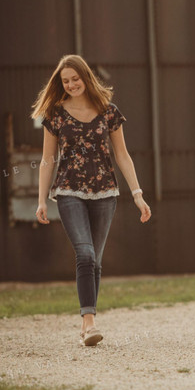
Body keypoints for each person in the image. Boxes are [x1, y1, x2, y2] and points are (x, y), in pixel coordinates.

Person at [33, 54, 152, 346]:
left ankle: (89, 319)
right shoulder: (56, 114)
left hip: (105, 193)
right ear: (60, 84)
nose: (72, 84)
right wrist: (41, 200)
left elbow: (122, 155)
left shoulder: (108, 111)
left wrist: (137, 194)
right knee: (84, 254)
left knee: (95, 262)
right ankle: (89, 323)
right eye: (66, 81)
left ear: (86, 77)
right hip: (68, 191)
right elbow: (48, 159)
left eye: (76, 79)